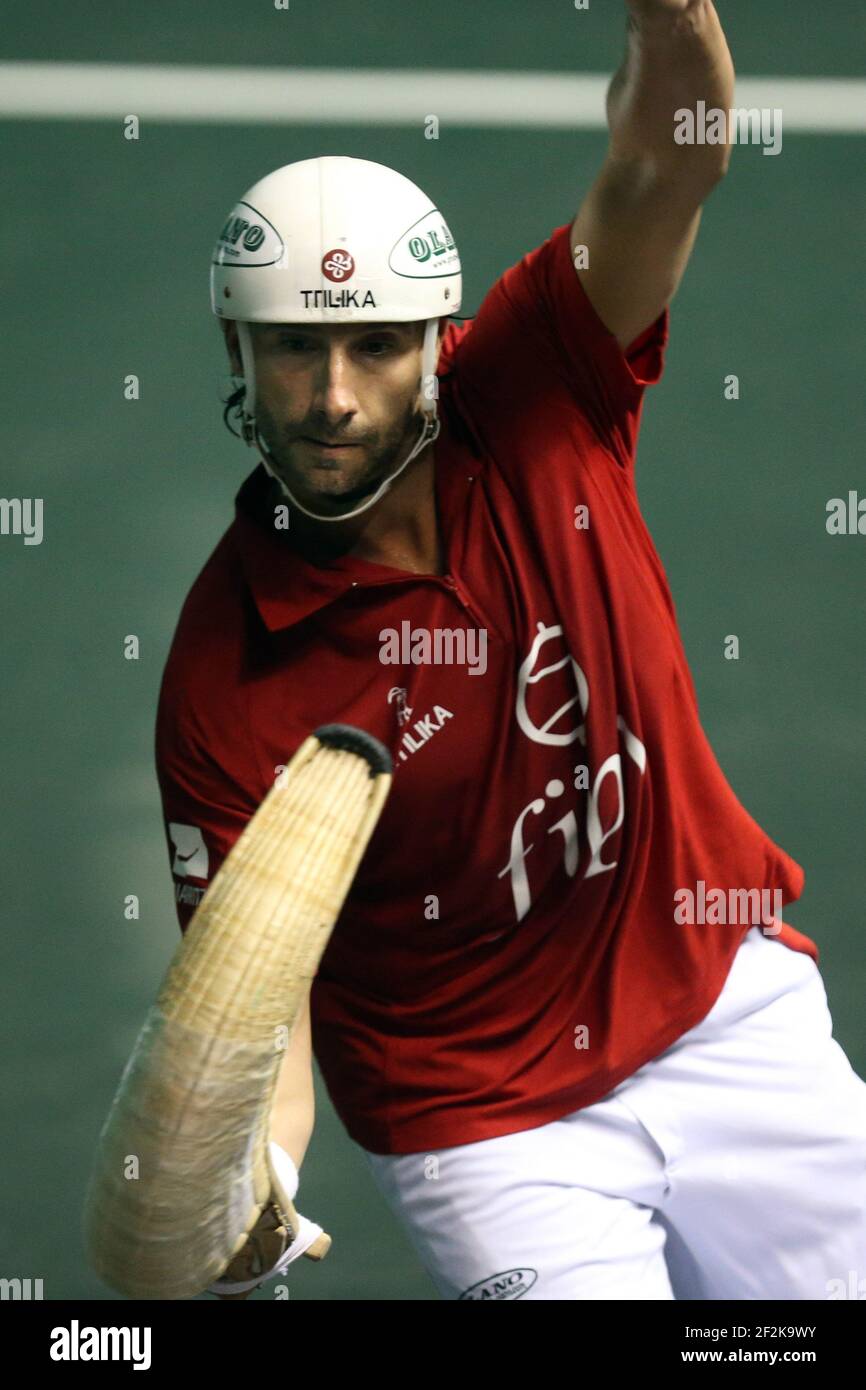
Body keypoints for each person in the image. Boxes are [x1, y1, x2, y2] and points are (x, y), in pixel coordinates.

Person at [156, 2, 866, 1301]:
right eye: (294, 348)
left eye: (374, 343)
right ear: (237, 353)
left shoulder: (543, 381)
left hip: (716, 1001)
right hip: (485, 1126)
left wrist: (665, 13)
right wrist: (251, 1168)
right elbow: (261, 990)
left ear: (434, 341)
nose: (331, 396)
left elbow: (673, 154)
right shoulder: (224, 684)